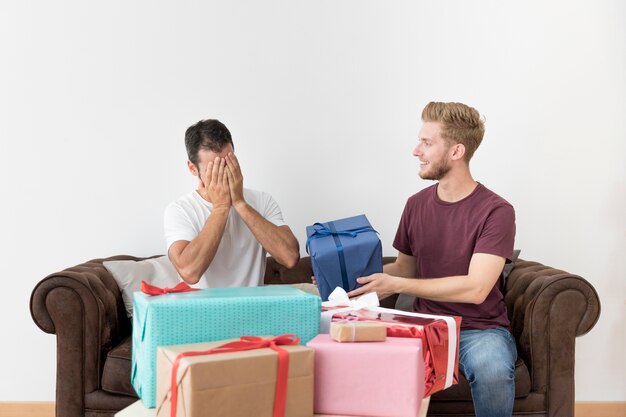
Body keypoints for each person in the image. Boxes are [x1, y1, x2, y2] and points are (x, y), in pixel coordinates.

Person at [348, 102, 517, 417]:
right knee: (361, 363)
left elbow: (476, 288)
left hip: (478, 329)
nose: (416, 150)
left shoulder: (497, 211)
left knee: (492, 370)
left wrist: (397, 283)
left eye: (427, 143)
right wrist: (347, 280)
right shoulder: (415, 205)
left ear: (455, 152)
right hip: (422, 325)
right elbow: (403, 268)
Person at [165, 119, 300, 288]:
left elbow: (290, 257)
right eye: (214, 169)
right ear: (193, 168)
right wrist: (221, 208)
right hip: (203, 313)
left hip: (252, 311)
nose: (224, 174)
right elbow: (189, 272)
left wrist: (239, 203)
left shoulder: (262, 201)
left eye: (228, 164)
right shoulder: (180, 210)